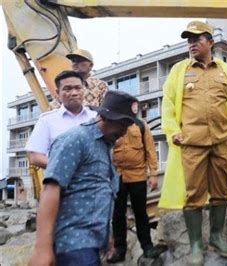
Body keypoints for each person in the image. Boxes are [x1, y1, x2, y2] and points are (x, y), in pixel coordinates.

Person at [158, 20, 227, 265]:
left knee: (221, 192)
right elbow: (167, 103)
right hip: (192, 143)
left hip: (222, 141)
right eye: (189, 40)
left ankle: (217, 237)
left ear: (210, 42)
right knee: (194, 195)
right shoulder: (179, 70)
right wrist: (172, 131)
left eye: (197, 39)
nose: (192, 44)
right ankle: (197, 244)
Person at [28, 90, 139, 266]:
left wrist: (106, 235)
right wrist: (42, 248)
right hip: (73, 244)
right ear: (105, 117)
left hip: (91, 244)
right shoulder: (75, 140)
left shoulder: (104, 146)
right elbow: (50, 190)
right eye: (122, 125)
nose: (124, 132)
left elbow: (98, 194)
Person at [106, 121, 160, 262]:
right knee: (117, 214)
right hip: (117, 176)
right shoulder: (111, 124)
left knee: (140, 212)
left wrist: (153, 174)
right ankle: (120, 249)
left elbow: (150, 149)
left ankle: (147, 247)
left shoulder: (141, 125)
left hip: (138, 176)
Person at [26, 70, 97, 169]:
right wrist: (65, 168)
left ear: (83, 89)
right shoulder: (47, 120)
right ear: (58, 93)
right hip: (62, 181)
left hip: (95, 181)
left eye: (78, 88)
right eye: (67, 89)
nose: (74, 93)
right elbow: (35, 156)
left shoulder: (96, 117)